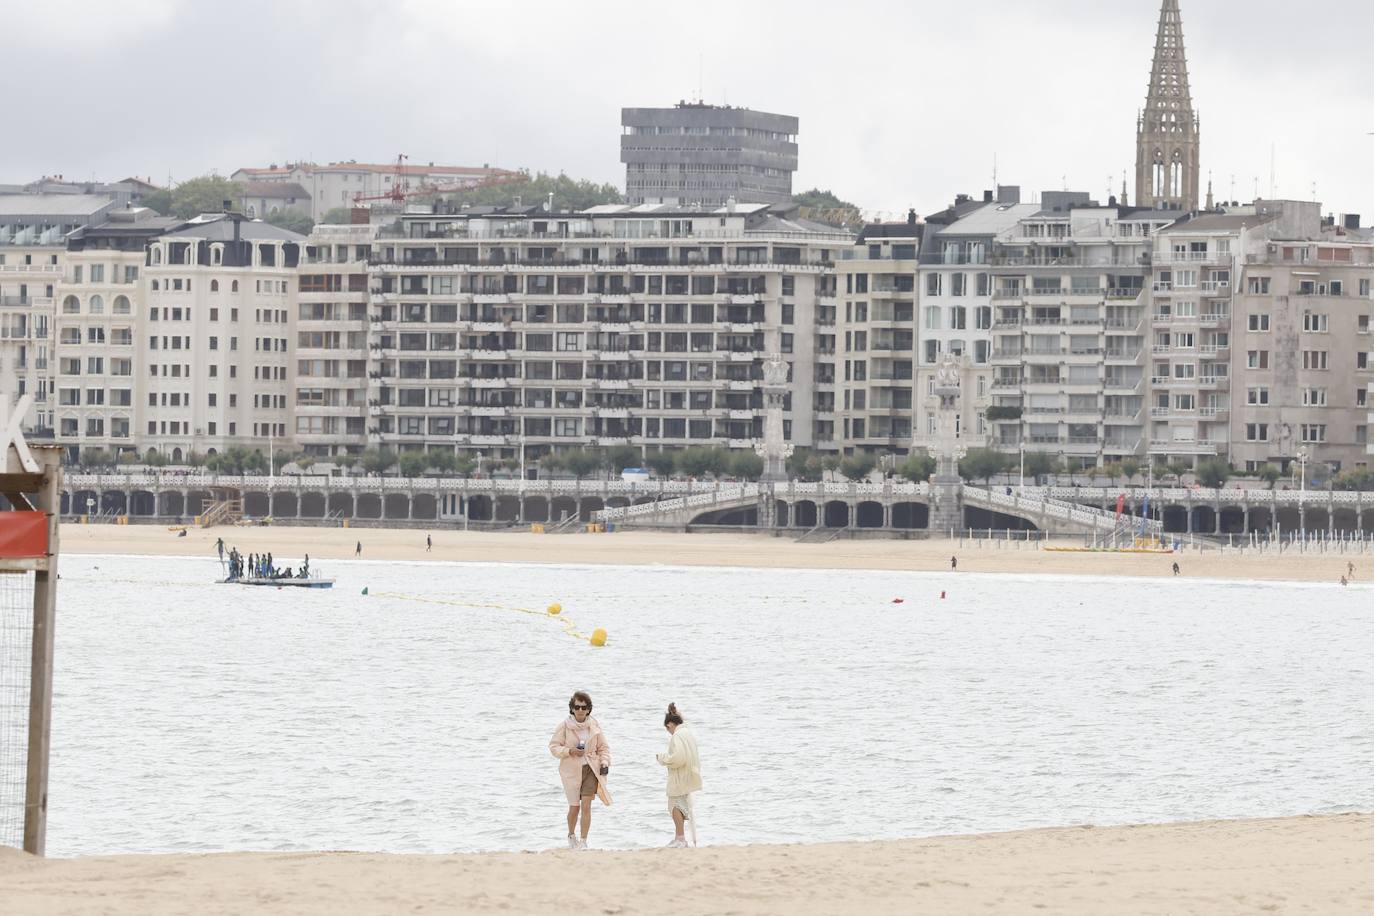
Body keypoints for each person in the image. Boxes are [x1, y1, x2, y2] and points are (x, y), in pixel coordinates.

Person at [549, 691, 611, 850]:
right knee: (574, 807)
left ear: (589, 709)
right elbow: (554, 747)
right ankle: (571, 836)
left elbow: (604, 748)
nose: (580, 710)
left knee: (586, 806)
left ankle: (583, 841)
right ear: (572, 708)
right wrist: (570, 751)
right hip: (570, 771)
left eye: (584, 707)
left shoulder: (594, 725)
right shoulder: (564, 726)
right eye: (577, 707)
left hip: (591, 769)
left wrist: (604, 763)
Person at [656, 702, 702, 848]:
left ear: (670, 724)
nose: (668, 732)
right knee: (681, 805)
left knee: (674, 805)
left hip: (679, 776)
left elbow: (678, 758)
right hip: (689, 774)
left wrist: (663, 758)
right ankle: (680, 837)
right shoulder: (688, 733)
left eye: (668, 728)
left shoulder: (677, 735)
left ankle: (680, 838)